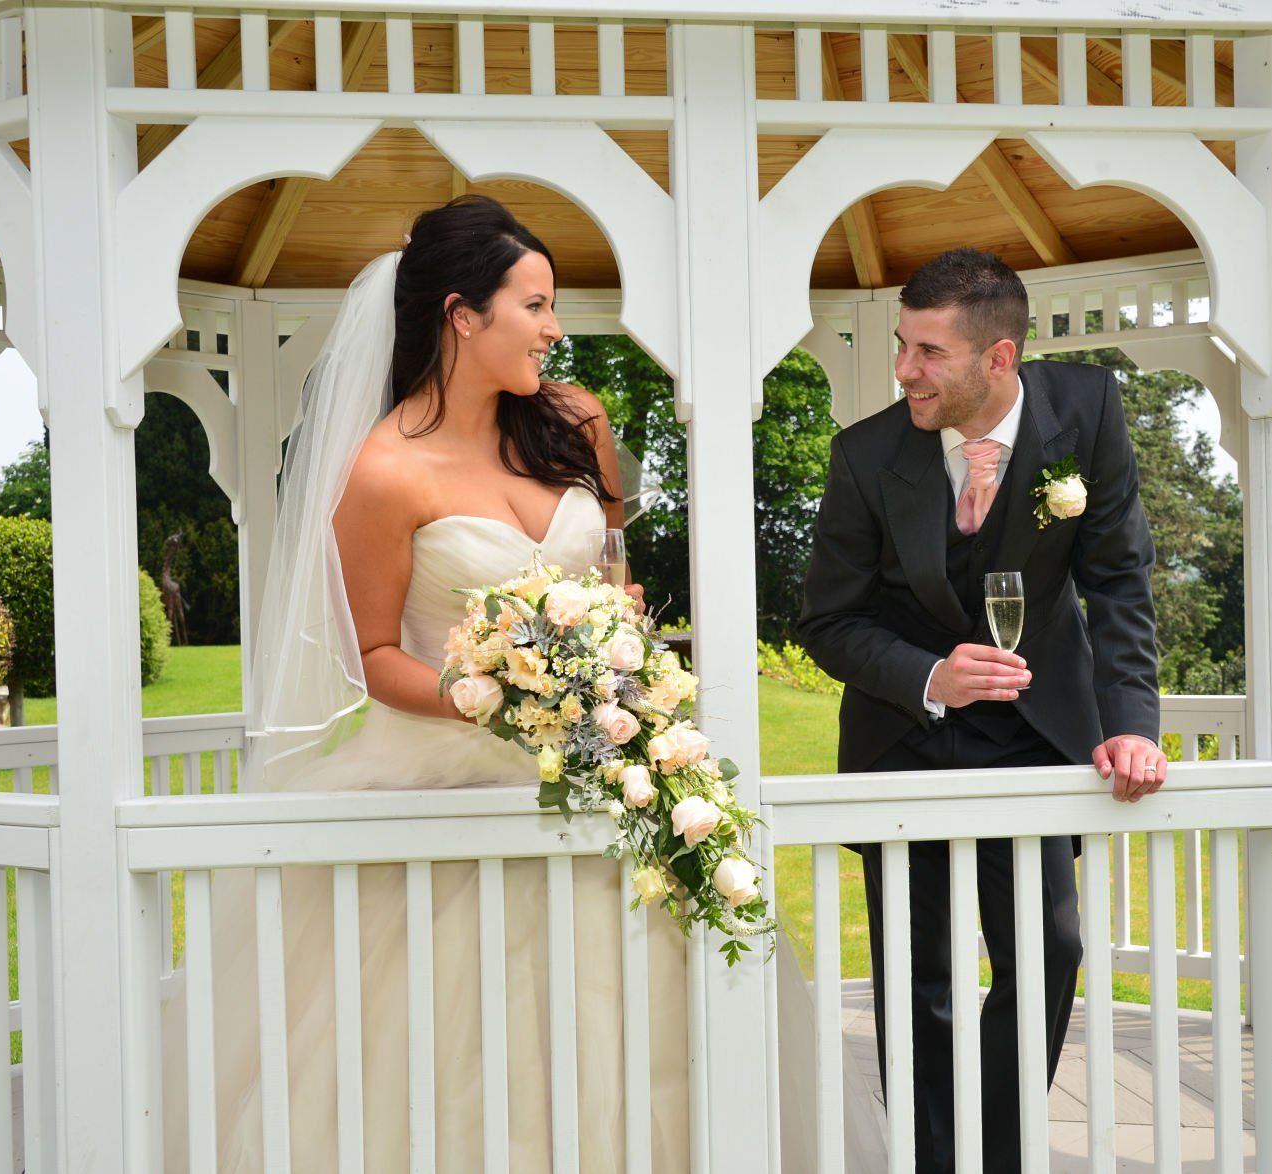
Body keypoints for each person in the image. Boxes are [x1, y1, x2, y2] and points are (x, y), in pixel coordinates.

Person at [162, 195, 884, 1170]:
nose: (554, 329)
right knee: (445, 1055)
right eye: (535, 305)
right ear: (463, 314)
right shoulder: (380, 473)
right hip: (441, 787)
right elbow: (375, 656)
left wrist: (612, 650)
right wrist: (487, 693)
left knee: (642, 1029)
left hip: (598, 774)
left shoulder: (576, 425)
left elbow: (615, 577)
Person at [797, 247, 1169, 1171]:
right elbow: (827, 621)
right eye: (901, 346)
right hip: (903, 738)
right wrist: (931, 675)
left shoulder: (1086, 412)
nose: (904, 370)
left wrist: (1130, 723)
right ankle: (931, 1160)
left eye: (928, 352)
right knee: (918, 977)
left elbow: (1118, 582)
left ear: (998, 358)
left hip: (1037, 738)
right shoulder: (866, 455)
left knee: (1049, 952)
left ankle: (992, 1153)